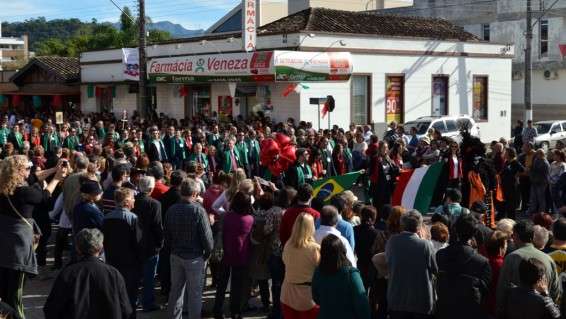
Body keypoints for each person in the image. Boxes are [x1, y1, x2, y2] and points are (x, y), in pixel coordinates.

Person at [0, 155, 67, 318]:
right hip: (18, 251)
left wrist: (53, 169)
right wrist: (57, 179)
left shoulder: (4, 187)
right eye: (28, 168)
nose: (31, 171)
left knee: (3, 290)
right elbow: (44, 197)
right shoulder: (25, 193)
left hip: (3, 247)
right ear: (19, 172)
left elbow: (33, 177)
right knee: (15, 296)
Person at [43, 228, 133, 319]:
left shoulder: (68, 273)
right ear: (101, 248)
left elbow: (52, 308)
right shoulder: (113, 274)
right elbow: (126, 309)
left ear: (77, 248)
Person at [166, 178, 213, 319]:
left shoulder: (171, 210)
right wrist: (207, 254)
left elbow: (166, 235)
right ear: (194, 193)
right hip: (194, 257)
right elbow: (207, 239)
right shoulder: (199, 211)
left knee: (175, 291)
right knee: (195, 294)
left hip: (176, 255)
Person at [497, 220, 561, 313]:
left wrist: (500, 312)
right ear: (532, 237)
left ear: (515, 236)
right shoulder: (548, 259)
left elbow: (502, 290)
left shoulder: (511, 258)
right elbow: (556, 291)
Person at [435, 214, 492, 319]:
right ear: (474, 233)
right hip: (469, 311)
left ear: (456, 230)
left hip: (444, 310)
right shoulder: (482, 262)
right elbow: (484, 292)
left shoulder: (440, 254)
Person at [386, 210, 438, 319]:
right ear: (419, 227)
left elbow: (389, 264)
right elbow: (435, 269)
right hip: (420, 301)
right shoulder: (425, 245)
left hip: (397, 299)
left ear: (402, 224)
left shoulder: (392, 241)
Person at [213, 191, 254, 319]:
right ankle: (235, 312)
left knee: (221, 284)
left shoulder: (226, 216)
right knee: (237, 286)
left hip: (225, 253)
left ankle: (217, 309)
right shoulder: (250, 220)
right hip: (241, 256)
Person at [102, 187, 141, 318]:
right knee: (130, 296)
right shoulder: (133, 218)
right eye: (133, 198)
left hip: (112, 262)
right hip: (130, 264)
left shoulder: (106, 218)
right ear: (126, 202)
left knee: (114, 295)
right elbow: (138, 243)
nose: (135, 201)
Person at [312, 234, 371, 319]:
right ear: (342, 250)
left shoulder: (318, 272)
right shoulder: (351, 275)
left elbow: (316, 298)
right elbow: (362, 304)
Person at [132, 176, 164, 312]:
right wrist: (160, 243)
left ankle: (134, 301)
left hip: (134, 243)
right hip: (150, 245)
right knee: (149, 277)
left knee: (136, 275)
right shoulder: (154, 204)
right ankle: (148, 303)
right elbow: (157, 226)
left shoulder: (134, 200)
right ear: (151, 189)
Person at [281, 213, 321, 319]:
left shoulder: (288, 244)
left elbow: (285, 262)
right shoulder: (315, 249)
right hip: (307, 297)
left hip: (287, 294)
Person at [354, 205, 379, 289]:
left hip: (360, 262)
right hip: (373, 266)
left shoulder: (355, 229)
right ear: (374, 218)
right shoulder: (376, 233)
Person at [500, 147, 524, 220]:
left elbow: (523, 170)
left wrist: (517, 176)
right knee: (506, 204)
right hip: (505, 186)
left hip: (512, 186)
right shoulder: (507, 162)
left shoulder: (515, 162)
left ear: (510, 153)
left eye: (506, 152)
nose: (504, 154)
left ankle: (512, 220)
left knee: (511, 205)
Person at [529, 149, 550, 214]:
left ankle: (541, 212)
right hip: (534, 182)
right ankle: (533, 210)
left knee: (541, 198)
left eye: (537, 154)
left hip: (541, 183)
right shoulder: (536, 160)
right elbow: (532, 169)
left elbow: (545, 174)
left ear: (541, 154)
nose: (536, 155)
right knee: (533, 197)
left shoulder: (545, 163)